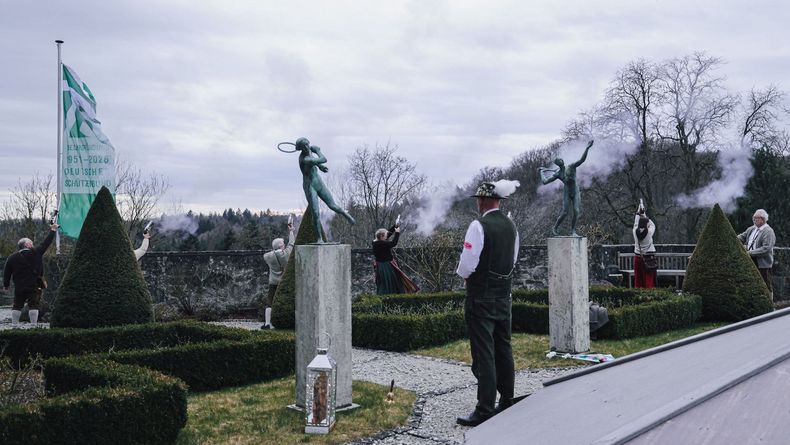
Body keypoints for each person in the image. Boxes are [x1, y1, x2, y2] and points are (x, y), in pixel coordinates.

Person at [455, 180, 520, 427]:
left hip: (480, 295)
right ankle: (507, 398)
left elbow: (468, 262)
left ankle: (484, 408)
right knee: (504, 347)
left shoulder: (478, 225)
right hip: (504, 294)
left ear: (481, 201)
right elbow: (512, 261)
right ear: (499, 201)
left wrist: (465, 276)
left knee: (484, 352)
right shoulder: (511, 226)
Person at [296, 137, 355, 242]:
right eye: (304, 146)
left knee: (332, 205)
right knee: (315, 212)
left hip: (318, 182)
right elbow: (323, 159)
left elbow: (316, 162)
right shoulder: (304, 159)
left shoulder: (309, 152)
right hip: (310, 187)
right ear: (301, 148)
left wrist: (320, 166)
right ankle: (319, 239)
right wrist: (318, 151)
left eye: (307, 144)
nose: (307, 147)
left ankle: (346, 215)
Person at [3, 223, 59, 325]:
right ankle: (34, 326)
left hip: (19, 286)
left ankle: (14, 325)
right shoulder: (36, 252)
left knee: (17, 306)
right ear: (27, 245)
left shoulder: (11, 257)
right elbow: (46, 243)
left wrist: (6, 285)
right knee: (34, 305)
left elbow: (7, 272)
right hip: (34, 285)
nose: (33, 245)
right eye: (31, 243)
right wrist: (53, 230)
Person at [539, 140, 593, 236]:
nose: (561, 160)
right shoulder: (558, 174)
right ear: (557, 163)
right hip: (567, 191)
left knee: (576, 211)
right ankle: (555, 228)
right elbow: (545, 181)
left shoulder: (571, 167)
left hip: (575, 190)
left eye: (561, 159)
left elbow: (581, 160)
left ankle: (573, 231)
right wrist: (541, 172)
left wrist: (587, 148)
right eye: (558, 160)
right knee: (565, 212)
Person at [262, 223, 294, 329]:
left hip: (273, 281)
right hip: (283, 282)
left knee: (269, 302)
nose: (284, 245)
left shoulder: (267, 256)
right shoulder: (285, 255)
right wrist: (291, 231)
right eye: (283, 244)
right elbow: (292, 244)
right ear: (281, 246)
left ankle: (267, 323)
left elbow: (269, 254)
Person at [737, 209, 776, 295]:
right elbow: (741, 237)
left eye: (756, 218)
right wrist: (732, 237)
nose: (754, 220)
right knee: (751, 284)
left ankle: (770, 305)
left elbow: (766, 249)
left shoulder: (768, 231)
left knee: (766, 286)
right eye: (753, 218)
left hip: (763, 264)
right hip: (750, 259)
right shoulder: (751, 229)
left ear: (763, 219)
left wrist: (748, 253)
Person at [372, 224, 418, 295]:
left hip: (384, 265)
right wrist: (397, 233)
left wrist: (394, 226)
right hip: (385, 266)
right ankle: (391, 295)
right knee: (389, 282)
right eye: (385, 235)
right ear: (381, 236)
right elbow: (393, 243)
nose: (387, 237)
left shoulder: (376, 241)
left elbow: (387, 234)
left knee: (393, 281)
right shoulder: (380, 243)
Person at [633, 202, 657, 288]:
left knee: (638, 279)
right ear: (647, 224)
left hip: (638, 257)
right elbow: (653, 225)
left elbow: (636, 222)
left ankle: (639, 295)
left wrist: (639, 212)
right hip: (648, 258)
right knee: (648, 279)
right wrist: (644, 215)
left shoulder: (635, 231)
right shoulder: (649, 232)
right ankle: (649, 296)